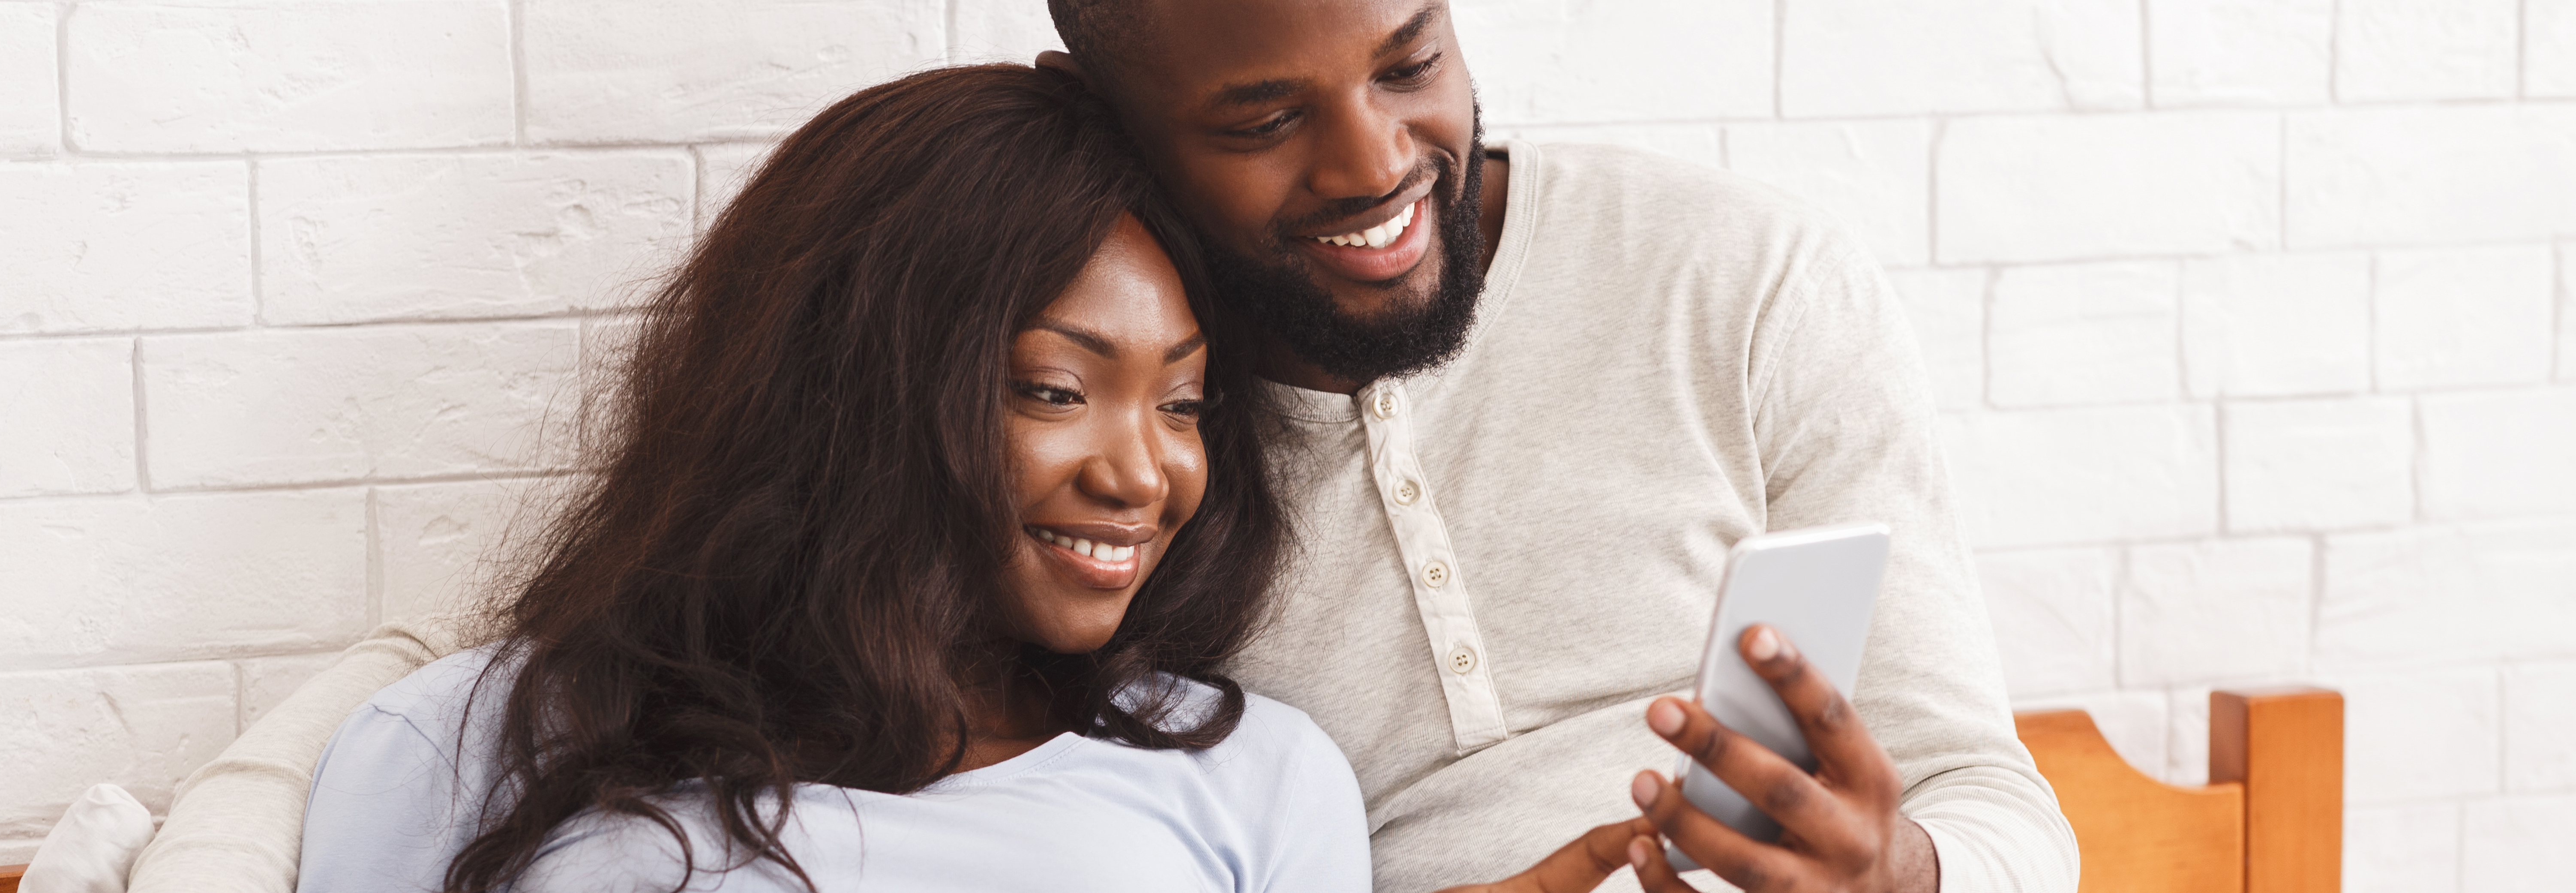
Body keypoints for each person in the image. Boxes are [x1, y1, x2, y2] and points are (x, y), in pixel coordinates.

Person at [132, 4, 2077, 893]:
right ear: (1109, 118)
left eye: (1410, 58)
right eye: (1260, 115)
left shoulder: (1737, 272)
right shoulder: (1125, 580)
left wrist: (1893, 869)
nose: (1378, 168)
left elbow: (1997, 800)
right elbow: (451, 708)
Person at [291, 64, 1384, 893]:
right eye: (1053, 389)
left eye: (1181, 404)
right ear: (856, 389)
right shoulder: (472, 737)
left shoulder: (1249, 778)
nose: (1144, 473)